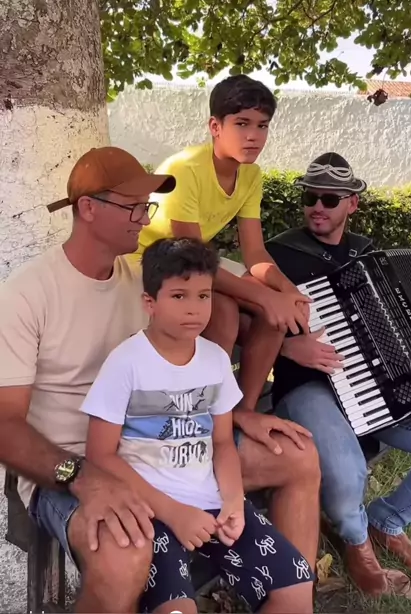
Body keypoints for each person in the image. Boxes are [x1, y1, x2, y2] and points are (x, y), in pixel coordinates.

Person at [0, 145, 320, 614]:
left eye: (145, 207)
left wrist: (238, 412)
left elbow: (207, 324)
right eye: (133, 207)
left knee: (296, 455)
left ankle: (287, 591)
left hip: (166, 445)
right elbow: (4, 424)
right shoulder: (28, 295)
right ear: (88, 208)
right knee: (125, 552)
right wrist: (80, 475)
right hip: (69, 464)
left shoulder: (143, 280)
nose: (144, 219)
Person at [238, 152, 411, 598]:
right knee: (348, 471)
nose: (317, 207)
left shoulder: (370, 254)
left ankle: (387, 523)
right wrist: (288, 347)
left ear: (352, 204)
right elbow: (238, 323)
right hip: (307, 387)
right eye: (310, 197)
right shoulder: (276, 256)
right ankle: (355, 542)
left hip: (375, 389)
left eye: (330, 199)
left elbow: (409, 324)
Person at [129, 74, 322, 570]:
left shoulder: (251, 176)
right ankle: (222, 409)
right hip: (155, 267)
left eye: (262, 125)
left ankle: (244, 408)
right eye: (241, 124)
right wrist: (263, 295)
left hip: (199, 265)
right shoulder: (185, 170)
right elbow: (193, 259)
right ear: (215, 127)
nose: (254, 135)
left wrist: (286, 291)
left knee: (275, 313)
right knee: (231, 307)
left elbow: (254, 254)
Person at [82, 238, 314, 614]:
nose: (194, 308)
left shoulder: (215, 360)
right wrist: (173, 512)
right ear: (150, 303)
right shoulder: (127, 363)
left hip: (211, 504)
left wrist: (233, 501)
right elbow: (100, 455)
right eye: (179, 296)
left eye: (203, 296)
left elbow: (222, 442)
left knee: (296, 587)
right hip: (151, 512)